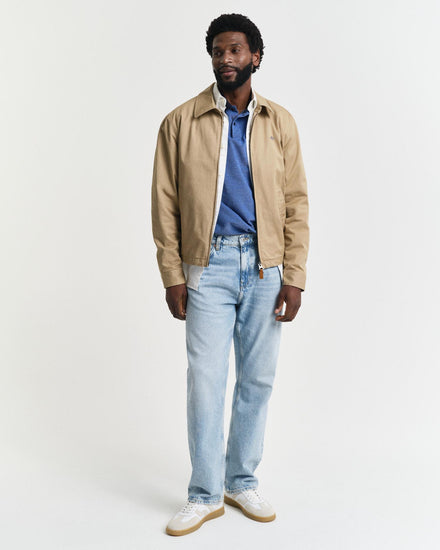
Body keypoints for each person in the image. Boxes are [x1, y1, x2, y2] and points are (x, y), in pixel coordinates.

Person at [151, 13, 310, 536]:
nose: (226, 59)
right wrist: (173, 274)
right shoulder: (180, 122)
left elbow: (295, 202)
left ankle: (241, 481)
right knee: (205, 381)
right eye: (219, 51)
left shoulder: (279, 122)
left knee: (258, 379)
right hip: (208, 266)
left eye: (236, 50)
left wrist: (294, 274)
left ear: (255, 57)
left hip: (266, 267)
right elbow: (165, 203)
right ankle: (204, 493)